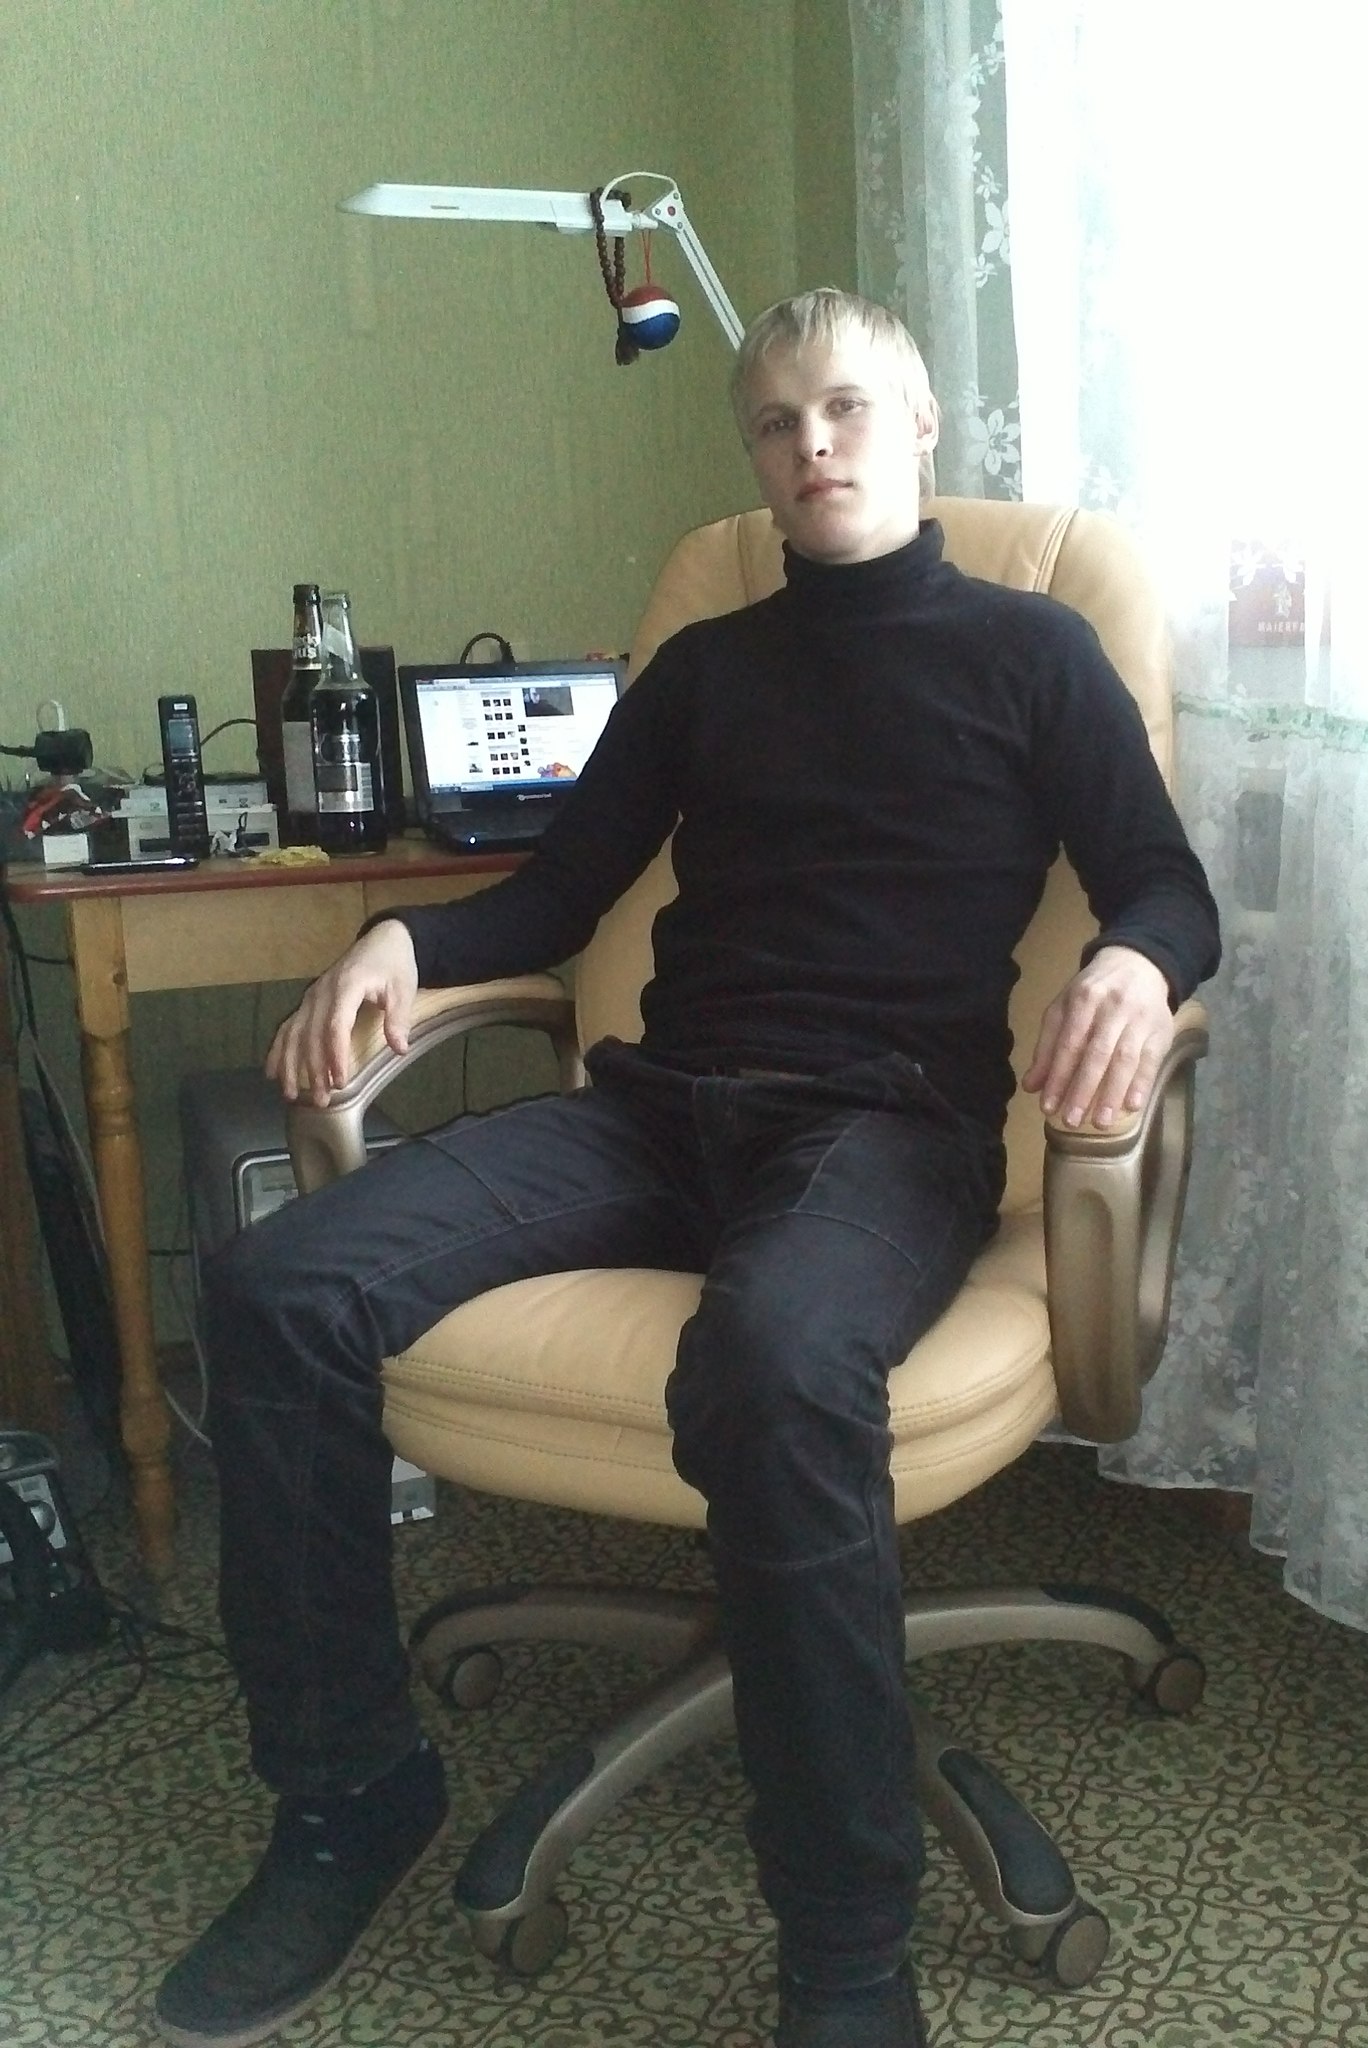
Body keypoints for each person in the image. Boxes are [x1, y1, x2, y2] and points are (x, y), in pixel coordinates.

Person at [155, 289, 1220, 2048]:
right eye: (778, 423)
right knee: (281, 1288)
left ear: (921, 422)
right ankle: (347, 1799)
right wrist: (402, 938)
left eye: (847, 408)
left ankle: (847, 1948)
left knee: (777, 1358)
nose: (813, 446)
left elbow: (1166, 884)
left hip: (884, 1129)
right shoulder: (710, 673)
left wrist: (1130, 962)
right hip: (657, 1114)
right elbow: (557, 894)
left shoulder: (1034, 653)